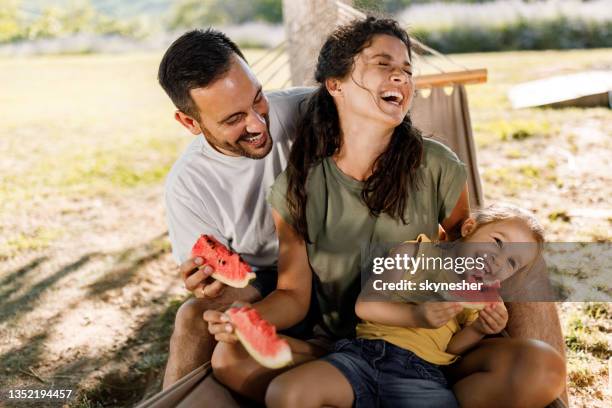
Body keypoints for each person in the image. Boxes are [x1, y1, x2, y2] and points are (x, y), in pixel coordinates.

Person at [209, 17, 566, 407]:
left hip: (438, 351)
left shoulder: (436, 164)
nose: (400, 77)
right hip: (341, 348)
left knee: (542, 361)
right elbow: (294, 294)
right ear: (336, 84)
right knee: (230, 357)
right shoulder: (298, 188)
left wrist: (478, 320)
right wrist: (243, 318)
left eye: (407, 70)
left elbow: (462, 247)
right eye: (384, 65)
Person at [266, 203, 566, 408]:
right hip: (365, 357)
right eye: (498, 242)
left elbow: (452, 349)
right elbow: (366, 306)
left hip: (423, 376)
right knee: (286, 392)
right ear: (469, 228)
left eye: (512, 261)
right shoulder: (414, 252)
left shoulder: (481, 297)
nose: (498, 260)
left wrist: (478, 329)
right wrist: (416, 314)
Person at [157, 28, 311, 388]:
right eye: (233, 119)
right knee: (192, 316)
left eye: (257, 98)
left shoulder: (308, 109)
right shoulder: (187, 186)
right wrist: (211, 288)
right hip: (267, 285)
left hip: (338, 262)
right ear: (190, 123)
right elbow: (226, 284)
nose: (258, 124)